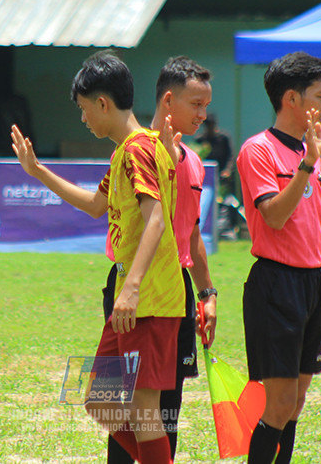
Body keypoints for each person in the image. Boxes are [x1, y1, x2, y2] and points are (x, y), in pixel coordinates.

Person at [11, 50, 182, 464]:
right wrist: (36, 171)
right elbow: (94, 204)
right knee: (98, 399)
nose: (84, 119)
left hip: (148, 298)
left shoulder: (139, 149)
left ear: (103, 103)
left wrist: (133, 288)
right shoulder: (126, 151)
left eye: (85, 110)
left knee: (143, 408)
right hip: (131, 298)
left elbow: (156, 219)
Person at [104, 56, 218, 462]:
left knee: (161, 409)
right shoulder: (135, 151)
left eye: (206, 106)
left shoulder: (192, 162)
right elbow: (101, 206)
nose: (203, 115)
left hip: (169, 289)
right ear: (168, 101)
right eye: (196, 105)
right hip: (126, 283)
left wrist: (208, 292)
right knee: (109, 401)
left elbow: (189, 231)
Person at [236, 51, 321, 464]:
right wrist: (308, 165)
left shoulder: (310, 155)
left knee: (296, 403)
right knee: (280, 404)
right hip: (275, 285)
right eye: (320, 95)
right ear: (292, 100)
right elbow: (275, 218)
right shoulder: (258, 150)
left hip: (310, 284)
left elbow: (311, 237)